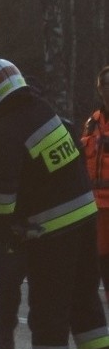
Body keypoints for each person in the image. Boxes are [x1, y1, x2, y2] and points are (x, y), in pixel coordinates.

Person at [0, 56, 109, 349]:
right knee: (85, 303)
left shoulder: (6, 132)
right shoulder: (43, 110)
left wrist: (0, 228)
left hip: (51, 230)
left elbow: (1, 196)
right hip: (85, 217)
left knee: (48, 311)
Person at [80, 65, 109, 303]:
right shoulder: (93, 122)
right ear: (99, 90)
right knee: (98, 261)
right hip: (94, 205)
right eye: (104, 85)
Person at [0, 241, 26, 349]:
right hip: (12, 233)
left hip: (49, 233)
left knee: (50, 286)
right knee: (8, 282)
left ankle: (53, 336)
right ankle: (6, 328)